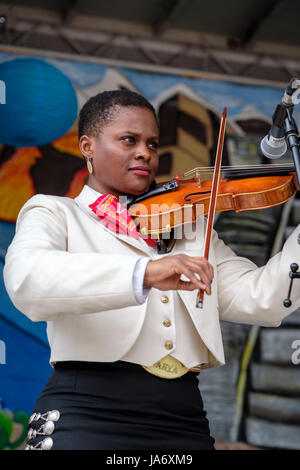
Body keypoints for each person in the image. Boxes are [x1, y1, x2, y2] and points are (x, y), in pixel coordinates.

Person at [3, 90, 300, 451]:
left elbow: (262, 299)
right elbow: (28, 280)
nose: (145, 152)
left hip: (182, 417)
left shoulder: (191, 229)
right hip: (89, 411)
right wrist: (145, 271)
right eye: (129, 140)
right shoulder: (56, 212)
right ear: (88, 146)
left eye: (153, 143)